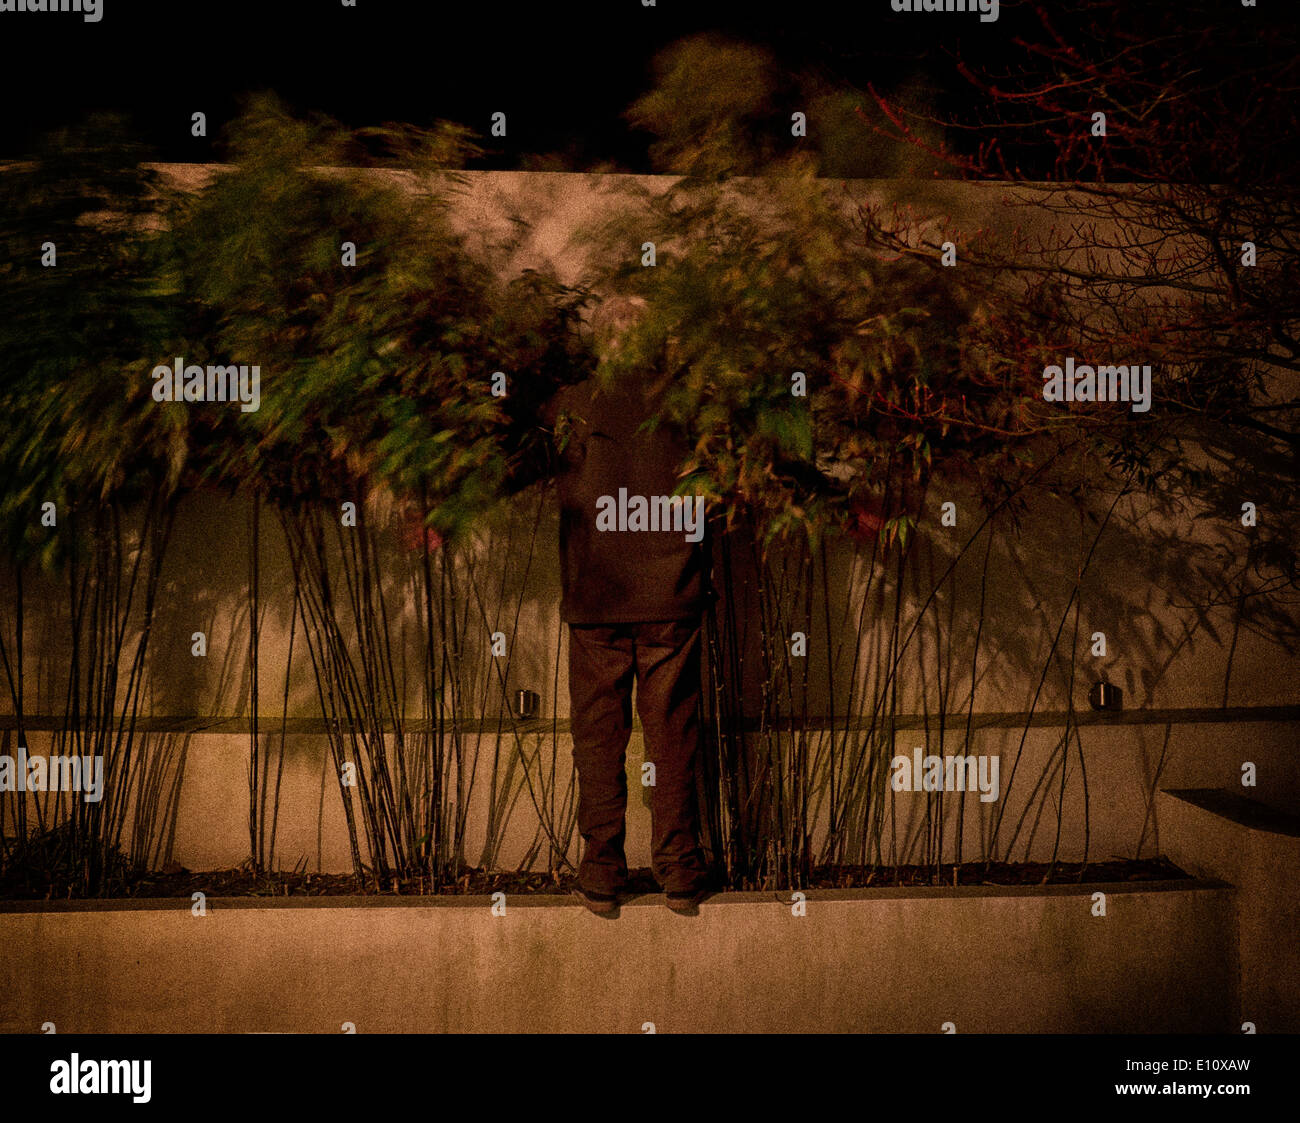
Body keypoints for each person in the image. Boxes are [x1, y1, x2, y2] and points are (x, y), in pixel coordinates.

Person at [506, 293, 716, 916]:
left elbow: (518, 466)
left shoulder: (570, 406)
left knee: (597, 738)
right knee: (672, 737)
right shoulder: (688, 405)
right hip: (671, 599)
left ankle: (602, 872)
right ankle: (679, 871)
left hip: (596, 599)